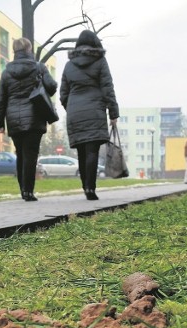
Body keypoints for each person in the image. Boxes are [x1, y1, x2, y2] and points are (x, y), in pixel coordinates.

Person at [0, 37, 57, 201]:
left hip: (13, 118)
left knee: (20, 154)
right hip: (34, 117)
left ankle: (23, 190)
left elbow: (1, 99)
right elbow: (51, 87)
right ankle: (28, 191)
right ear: (29, 50)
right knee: (31, 154)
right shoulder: (39, 67)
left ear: (15, 51)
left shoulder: (7, 71)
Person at [60, 30, 119, 200]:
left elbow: (63, 93)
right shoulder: (100, 61)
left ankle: (85, 185)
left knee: (81, 151)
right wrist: (113, 112)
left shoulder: (69, 65)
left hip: (74, 112)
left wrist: (70, 107)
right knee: (92, 151)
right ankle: (90, 189)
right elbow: (108, 87)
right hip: (94, 110)